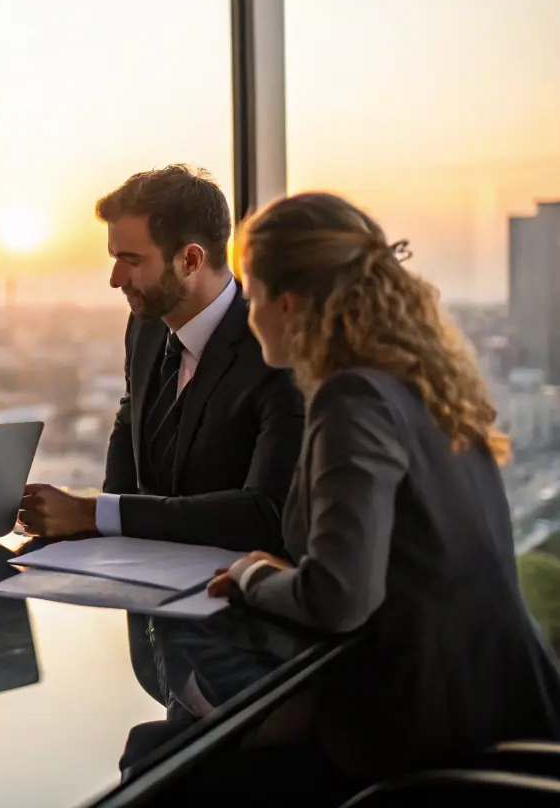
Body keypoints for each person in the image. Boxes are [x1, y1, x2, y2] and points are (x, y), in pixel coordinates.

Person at [207, 191, 560, 790]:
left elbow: (341, 598)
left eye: (253, 295)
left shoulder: (353, 399)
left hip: (425, 732)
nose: (248, 313)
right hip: (498, 699)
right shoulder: (422, 383)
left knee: (175, 754)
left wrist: (250, 577)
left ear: (287, 304)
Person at [19, 165, 304, 552]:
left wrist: (91, 513)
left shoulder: (276, 347)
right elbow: (129, 426)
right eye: (114, 258)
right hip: (139, 581)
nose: (116, 278)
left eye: (132, 261)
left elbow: (267, 513)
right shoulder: (146, 328)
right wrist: (89, 531)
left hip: (232, 593)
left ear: (190, 260)